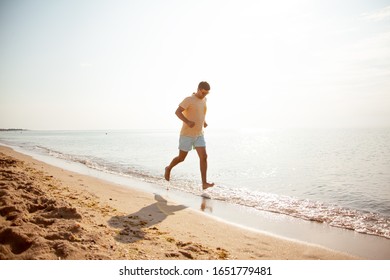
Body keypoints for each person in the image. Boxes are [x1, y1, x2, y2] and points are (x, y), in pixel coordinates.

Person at [165, 81, 214, 190]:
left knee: (204, 157)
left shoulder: (204, 100)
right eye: (203, 93)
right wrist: (187, 122)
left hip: (199, 134)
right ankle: (168, 168)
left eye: (206, 93)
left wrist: (203, 121)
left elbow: (200, 112)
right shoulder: (188, 100)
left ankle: (204, 183)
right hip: (187, 134)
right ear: (198, 89)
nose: (204, 95)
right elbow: (177, 112)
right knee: (181, 158)